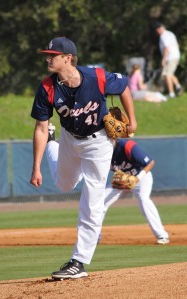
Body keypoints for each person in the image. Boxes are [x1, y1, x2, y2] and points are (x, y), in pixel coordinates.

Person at [30, 37, 137, 280]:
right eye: (48, 54)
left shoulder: (96, 77)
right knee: (64, 184)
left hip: (99, 142)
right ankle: (52, 143)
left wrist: (132, 119)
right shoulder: (47, 87)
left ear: (67, 58)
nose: (48, 58)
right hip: (69, 139)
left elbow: (124, 86)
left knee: (92, 198)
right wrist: (36, 167)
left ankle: (79, 261)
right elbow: (39, 127)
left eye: (52, 55)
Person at [98, 138, 169, 245]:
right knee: (100, 203)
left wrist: (137, 179)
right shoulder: (101, 152)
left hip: (141, 177)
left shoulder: (128, 146)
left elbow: (150, 163)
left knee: (144, 200)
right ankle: (94, 238)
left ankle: (162, 235)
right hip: (122, 179)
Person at [154, 22, 182, 98]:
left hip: (170, 57)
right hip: (175, 56)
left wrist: (163, 59)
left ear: (159, 29)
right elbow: (177, 45)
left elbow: (166, 48)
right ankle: (178, 86)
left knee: (167, 75)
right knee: (170, 73)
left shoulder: (163, 36)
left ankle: (171, 93)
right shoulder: (170, 33)